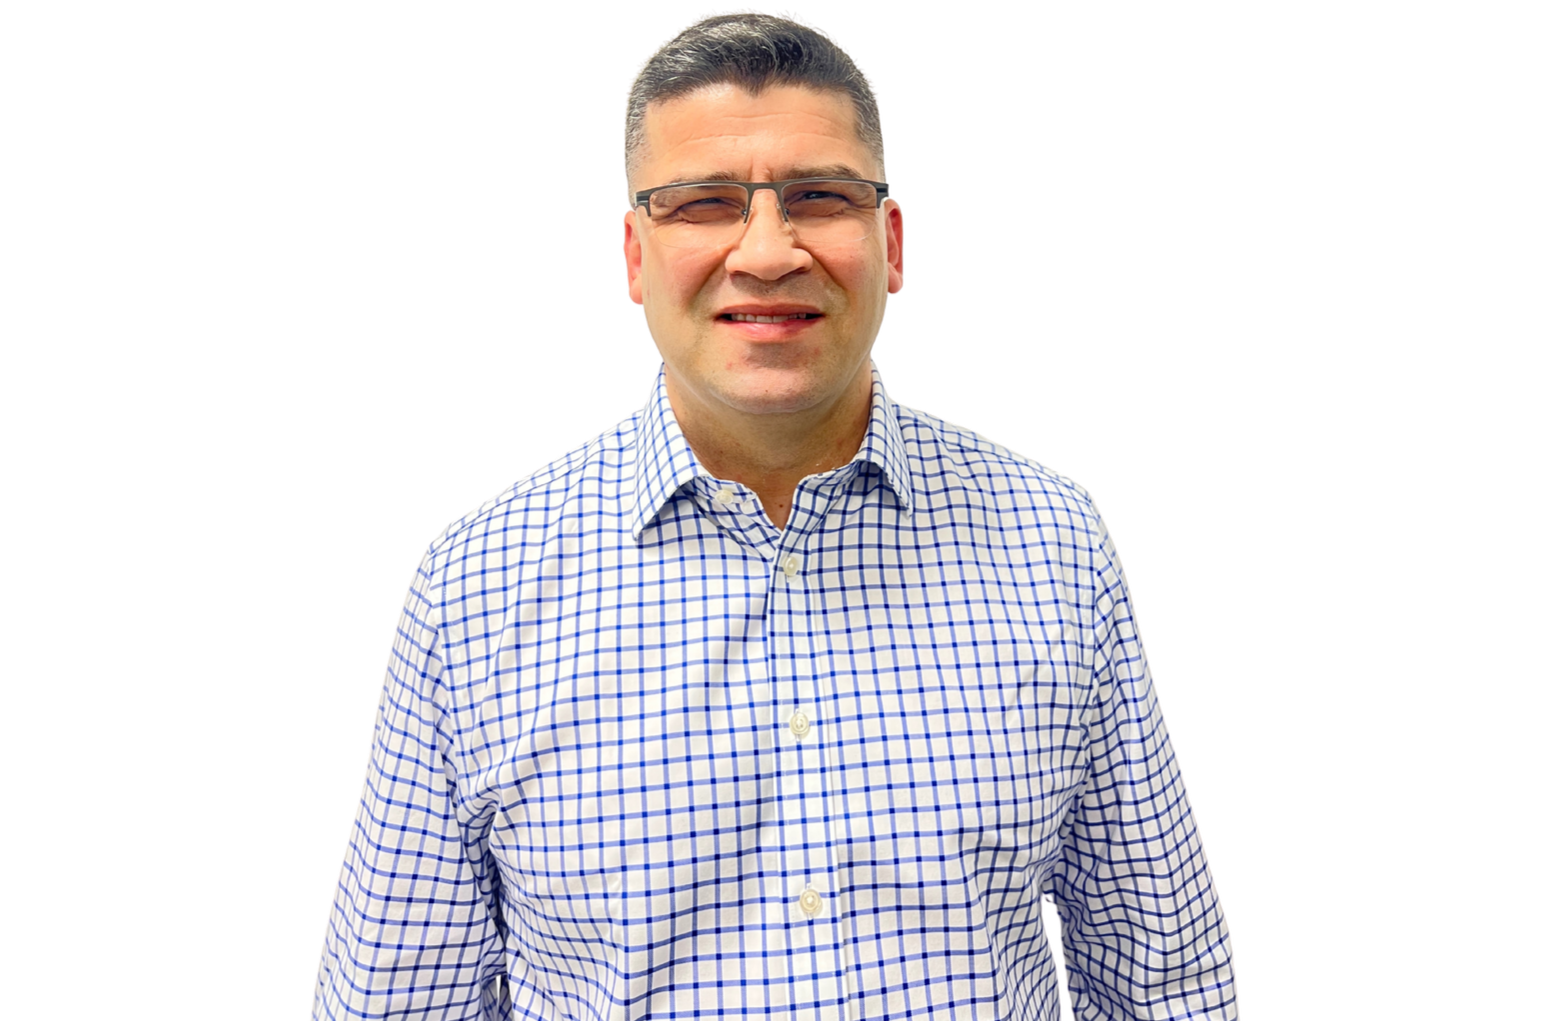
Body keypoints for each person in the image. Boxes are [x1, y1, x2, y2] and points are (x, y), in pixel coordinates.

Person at [311, 11, 1239, 1020]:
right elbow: (394, 1003)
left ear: (889, 243)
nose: (764, 251)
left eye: (819, 197)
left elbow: (1163, 981)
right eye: (703, 203)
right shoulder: (472, 585)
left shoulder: (1053, 543)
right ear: (633, 257)